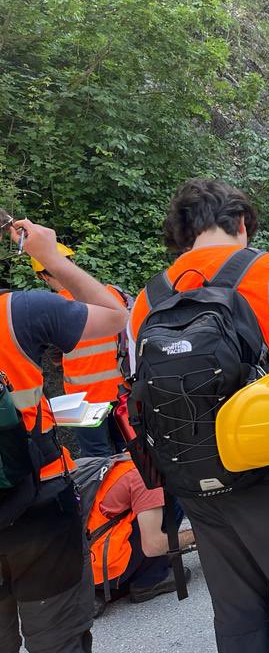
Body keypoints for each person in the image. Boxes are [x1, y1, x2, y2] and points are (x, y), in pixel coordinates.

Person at [128, 179, 269, 653]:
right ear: (240, 222)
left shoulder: (147, 299)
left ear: (182, 233)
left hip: (198, 484)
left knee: (239, 627)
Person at [0, 216, 129, 653]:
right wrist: (52, 257)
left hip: (90, 409)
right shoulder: (23, 310)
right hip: (37, 505)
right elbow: (117, 317)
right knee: (58, 640)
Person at [31, 243, 129, 457]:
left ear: (43, 276)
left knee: (96, 457)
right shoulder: (112, 293)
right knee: (131, 449)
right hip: (122, 389)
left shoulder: (51, 307)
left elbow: (53, 355)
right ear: (72, 263)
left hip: (81, 398)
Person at [80, 455, 196, 612]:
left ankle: (104, 587)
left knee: (144, 510)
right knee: (174, 499)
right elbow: (152, 546)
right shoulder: (148, 476)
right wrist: (198, 535)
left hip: (82, 566)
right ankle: (150, 579)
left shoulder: (125, 461)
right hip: (102, 568)